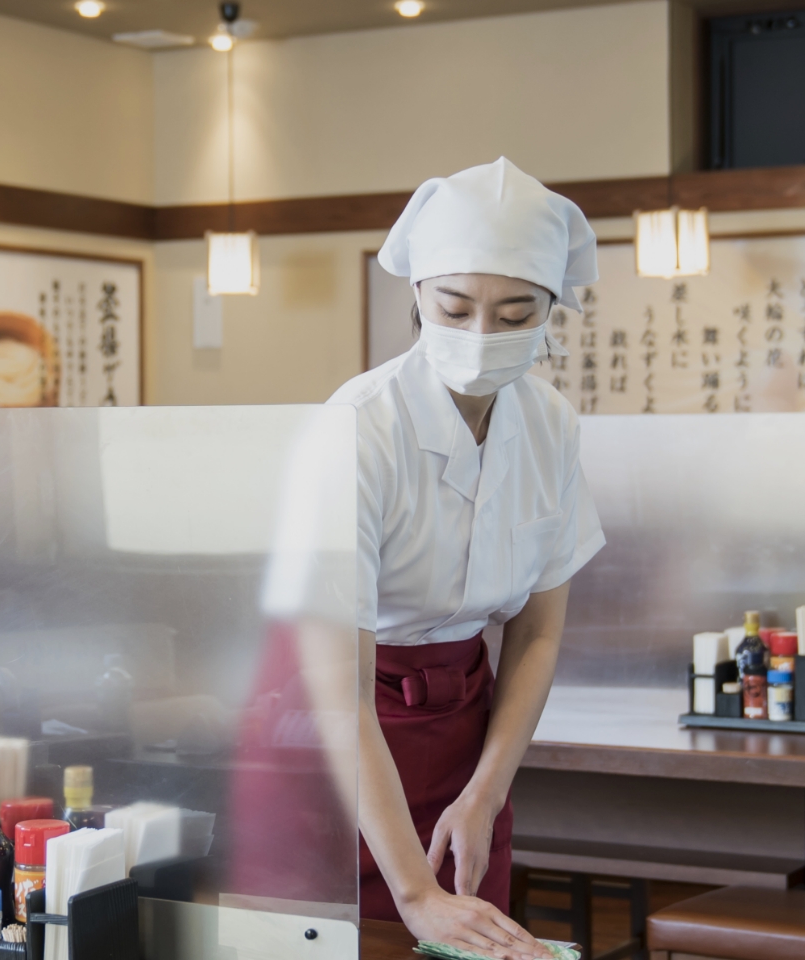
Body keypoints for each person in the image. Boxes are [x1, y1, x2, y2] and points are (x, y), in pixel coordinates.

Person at [333, 157, 605, 957]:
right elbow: (335, 690)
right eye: (455, 307)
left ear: (553, 311)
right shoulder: (361, 426)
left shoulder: (549, 424)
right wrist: (413, 892)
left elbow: (538, 633)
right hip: (342, 741)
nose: (482, 335)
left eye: (516, 312)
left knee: (476, 940)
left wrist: (485, 794)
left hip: (468, 732)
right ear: (417, 294)